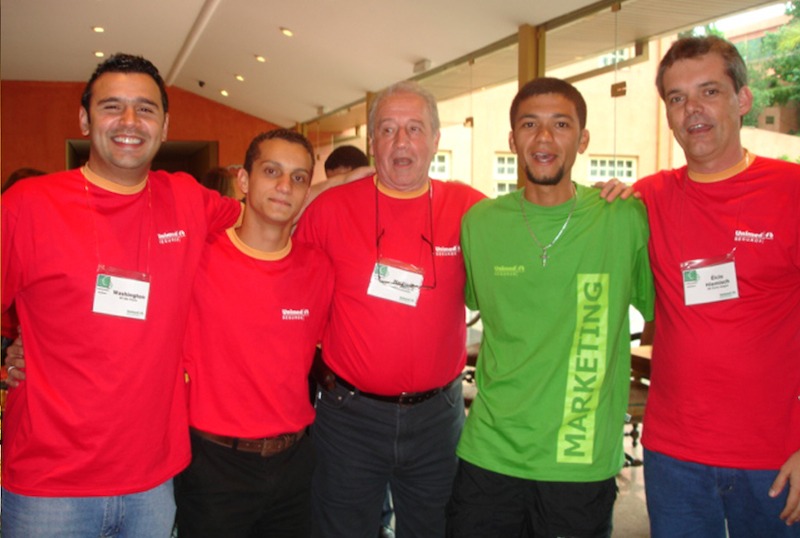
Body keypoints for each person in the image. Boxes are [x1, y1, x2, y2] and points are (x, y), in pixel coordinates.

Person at [0, 53, 241, 536]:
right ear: (85, 119)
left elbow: (275, 214)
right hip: (49, 487)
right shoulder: (29, 205)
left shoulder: (187, 199)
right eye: (112, 106)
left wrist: (367, 181)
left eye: (145, 109)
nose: (129, 121)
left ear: (165, 125)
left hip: (152, 483)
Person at [446, 77, 654, 537]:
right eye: (529, 125)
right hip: (489, 453)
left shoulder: (623, 218)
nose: (544, 138)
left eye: (561, 125)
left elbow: (672, 316)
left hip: (578, 459)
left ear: (583, 139)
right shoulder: (480, 223)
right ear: (512, 139)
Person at [616, 35, 800, 537]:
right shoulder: (648, 199)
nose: (692, 109)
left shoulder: (791, 191)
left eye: (710, 91)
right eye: (677, 98)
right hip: (674, 456)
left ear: (743, 100)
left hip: (775, 457)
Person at [294, 81, 485, 538]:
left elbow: (536, 225)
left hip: (438, 418)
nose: (401, 142)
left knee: (437, 529)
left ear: (435, 139)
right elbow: (279, 257)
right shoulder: (331, 209)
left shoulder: (470, 209)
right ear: (372, 142)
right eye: (388, 129)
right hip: (349, 417)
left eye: (415, 129)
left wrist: (598, 201)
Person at [174, 129, 334, 537]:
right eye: (272, 171)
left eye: (298, 177)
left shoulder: (318, 268)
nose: (285, 186)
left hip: (294, 464)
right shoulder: (197, 255)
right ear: (244, 180)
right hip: (214, 466)